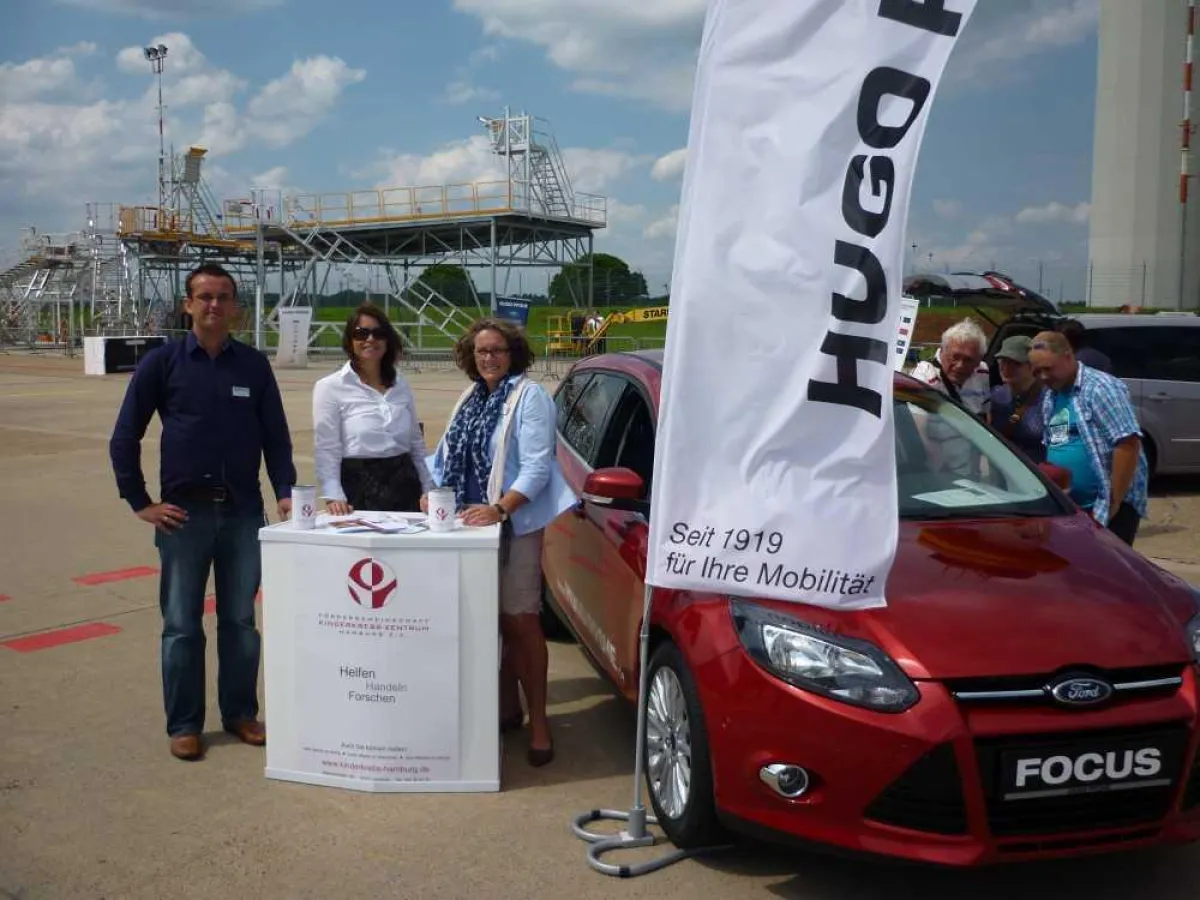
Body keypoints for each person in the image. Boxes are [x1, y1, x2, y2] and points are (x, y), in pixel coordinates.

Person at [109, 262, 296, 762]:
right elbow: (125, 436)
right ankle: (185, 724)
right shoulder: (163, 364)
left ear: (235, 307)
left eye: (224, 296)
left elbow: (275, 437)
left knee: (239, 620)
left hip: (242, 515)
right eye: (204, 296)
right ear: (188, 304)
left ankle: (239, 713)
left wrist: (285, 491)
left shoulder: (253, 367)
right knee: (181, 625)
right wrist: (140, 502)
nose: (214, 305)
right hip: (183, 517)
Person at [424, 318, 576, 767]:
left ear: (514, 354)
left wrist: (502, 508)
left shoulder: (528, 397)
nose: (488, 358)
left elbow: (537, 466)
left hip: (512, 523)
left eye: (497, 351)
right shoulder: (472, 397)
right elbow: (445, 455)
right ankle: (506, 708)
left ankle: (540, 723)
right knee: (481, 620)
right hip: (469, 523)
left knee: (520, 621)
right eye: (481, 351)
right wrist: (431, 490)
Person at [1028, 331, 1148, 545]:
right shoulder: (1050, 396)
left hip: (1107, 509)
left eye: (1048, 368)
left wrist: (1114, 502)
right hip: (1072, 509)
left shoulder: (1100, 388)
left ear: (1067, 356)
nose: (1043, 377)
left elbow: (1127, 443)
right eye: (1037, 372)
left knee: (1107, 572)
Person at [312, 303, 433, 515]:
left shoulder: (400, 384)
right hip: (358, 487)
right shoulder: (329, 387)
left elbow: (416, 443)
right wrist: (333, 495)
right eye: (361, 333)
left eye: (379, 333)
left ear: (388, 341)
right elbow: (327, 447)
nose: (370, 339)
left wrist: (429, 488)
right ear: (350, 340)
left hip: (405, 485)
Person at [910, 318, 992, 418]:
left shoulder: (982, 371)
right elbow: (917, 423)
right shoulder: (925, 373)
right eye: (955, 357)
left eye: (968, 360)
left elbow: (986, 414)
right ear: (941, 352)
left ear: (978, 360)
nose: (960, 365)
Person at [987, 335, 1046, 463]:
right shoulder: (995, 396)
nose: (1006, 368)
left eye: (1016, 364)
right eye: (1003, 361)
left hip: (1037, 477)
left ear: (1033, 366)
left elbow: (1061, 447)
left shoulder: (1051, 400)